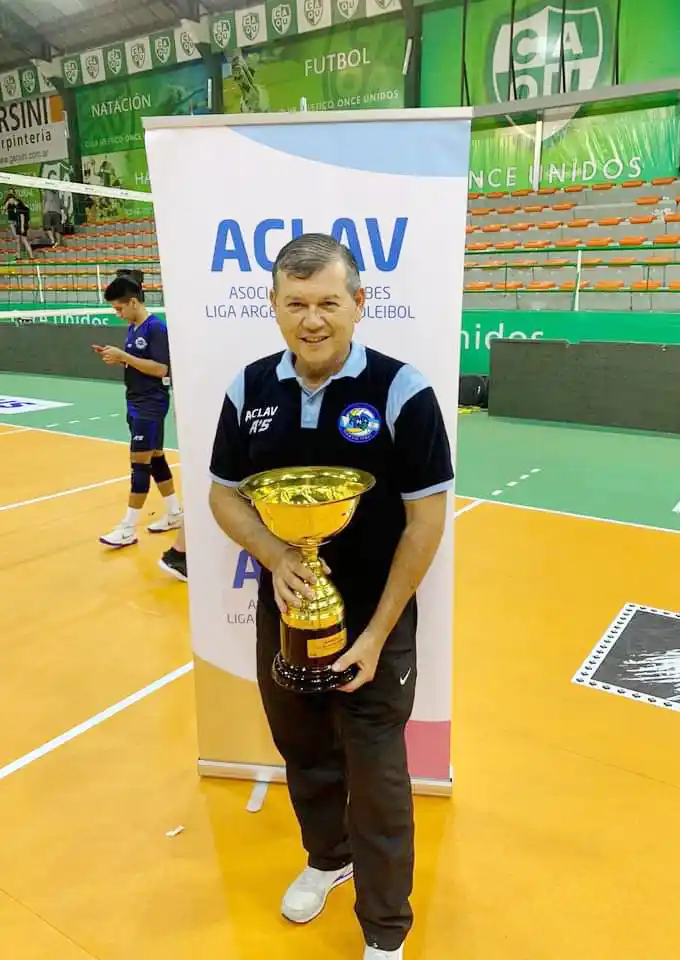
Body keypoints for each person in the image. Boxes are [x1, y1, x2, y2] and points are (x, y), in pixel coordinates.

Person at [208, 234, 453, 959]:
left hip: (377, 618)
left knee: (376, 772)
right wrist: (277, 555)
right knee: (304, 747)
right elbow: (223, 496)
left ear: (358, 304)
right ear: (274, 306)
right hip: (287, 610)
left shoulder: (402, 391)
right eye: (296, 304)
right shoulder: (248, 388)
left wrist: (376, 636)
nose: (312, 320)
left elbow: (425, 522)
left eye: (327, 303)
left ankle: (385, 932)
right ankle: (327, 858)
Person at [95, 274, 183, 547]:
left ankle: (127, 528)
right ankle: (174, 513)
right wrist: (118, 359)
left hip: (150, 404)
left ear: (133, 302)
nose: (117, 313)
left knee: (139, 464)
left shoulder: (156, 328)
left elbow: (161, 369)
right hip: (135, 401)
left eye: (119, 308)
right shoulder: (133, 327)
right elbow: (138, 363)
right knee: (155, 458)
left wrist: (123, 356)